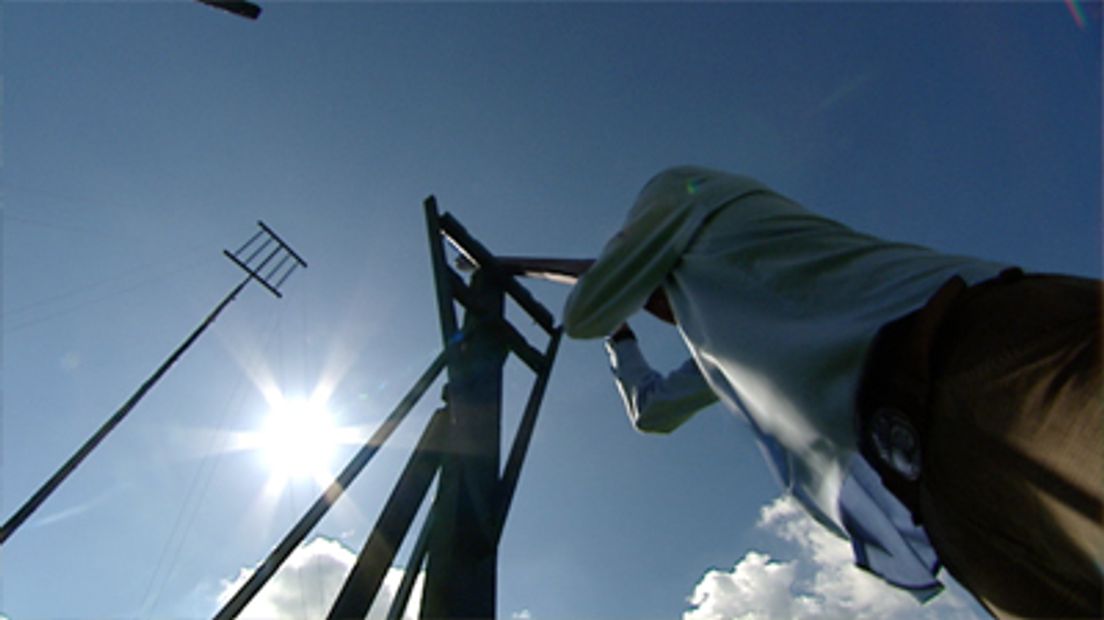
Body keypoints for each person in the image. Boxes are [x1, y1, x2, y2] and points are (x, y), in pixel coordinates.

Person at [561, 166, 1102, 618]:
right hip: (939, 480)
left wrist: (615, 290)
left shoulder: (679, 188)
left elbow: (585, 310)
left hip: (984, 361)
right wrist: (624, 335)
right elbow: (653, 411)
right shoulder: (735, 339)